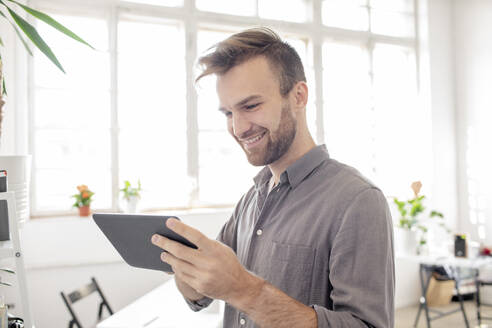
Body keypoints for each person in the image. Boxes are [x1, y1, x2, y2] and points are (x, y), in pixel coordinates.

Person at [151, 27, 394, 328]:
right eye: (228, 113)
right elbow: (200, 295)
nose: (238, 129)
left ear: (298, 96)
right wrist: (185, 268)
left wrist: (244, 291)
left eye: (250, 106)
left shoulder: (357, 201)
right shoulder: (252, 198)